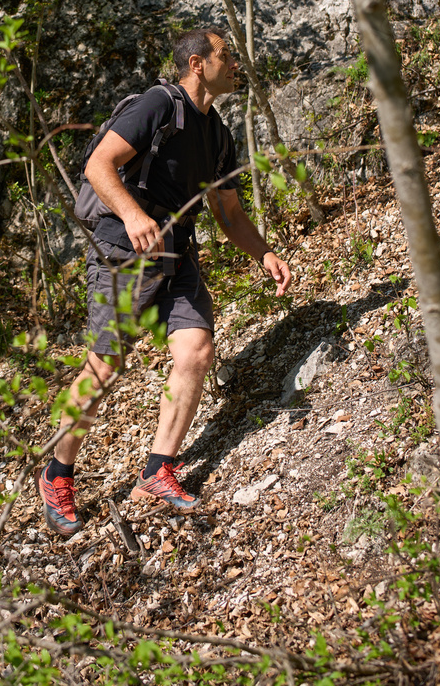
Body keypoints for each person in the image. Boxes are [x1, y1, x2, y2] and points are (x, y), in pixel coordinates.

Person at [36, 28, 291, 536]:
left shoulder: (217, 132)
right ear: (197, 63)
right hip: (121, 252)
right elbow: (97, 165)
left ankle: (158, 471)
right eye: (226, 55)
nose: (235, 63)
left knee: (195, 352)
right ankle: (57, 475)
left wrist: (263, 252)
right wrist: (132, 215)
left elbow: (229, 211)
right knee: (104, 366)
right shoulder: (157, 104)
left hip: (176, 254)